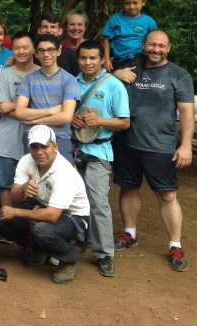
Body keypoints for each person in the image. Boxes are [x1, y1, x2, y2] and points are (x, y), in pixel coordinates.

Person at [112, 29, 194, 272]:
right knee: (128, 188)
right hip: (127, 142)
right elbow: (101, 79)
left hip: (160, 146)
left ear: (168, 48)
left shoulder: (178, 74)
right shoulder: (131, 68)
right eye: (152, 45)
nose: (156, 49)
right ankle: (130, 233)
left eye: (161, 46)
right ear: (144, 45)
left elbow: (187, 112)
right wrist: (115, 73)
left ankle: (175, 245)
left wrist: (185, 145)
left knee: (167, 196)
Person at [0, 125, 90, 284]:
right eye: (34, 147)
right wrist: (24, 188)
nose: (39, 152)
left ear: (55, 147)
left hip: (73, 216)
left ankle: (69, 258)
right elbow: (15, 197)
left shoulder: (64, 173)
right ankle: (38, 248)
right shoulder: (27, 160)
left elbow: (52, 216)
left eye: (44, 146)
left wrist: (16, 212)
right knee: (0, 219)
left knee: (43, 230)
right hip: (43, 207)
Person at [71, 40, 130, 277]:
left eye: (93, 58)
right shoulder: (72, 82)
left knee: (98, 203)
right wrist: (71, 117)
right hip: (74, 149)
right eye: (83, 58)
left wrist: (100, 121)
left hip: (99, 151)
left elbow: (125, 122)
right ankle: (76, 239)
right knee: (72, 198)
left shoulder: (114, 85)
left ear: (102, 60)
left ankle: (104, 253)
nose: (88, 62)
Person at [15, 34, 79, 164]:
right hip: (33, 137)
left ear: (58, 51)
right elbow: (19, 112)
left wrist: (33, 120)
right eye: (41, 50)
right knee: (32, 176)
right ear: (36, 53)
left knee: (62, 176)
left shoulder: (69, 80)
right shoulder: (28, 79)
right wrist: (51, 111)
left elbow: (66, 117)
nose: (46, 54)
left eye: (50, 50)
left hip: (59, 138)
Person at [0, 31, 39, 207]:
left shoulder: (42, 73)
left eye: (25, 47)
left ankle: (27, 220)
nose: (21, 51)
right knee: (5, 184)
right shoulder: (4, 75)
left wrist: (13, 106)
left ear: (34, 49)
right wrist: (32, 111)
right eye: (17, 48)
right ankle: (6, 219)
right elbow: (1, 108)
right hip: (6, 138)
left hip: (34, 138)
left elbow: (42, 106)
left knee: (33, 183)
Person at [101, 0, 157, 72]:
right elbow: (106, 39)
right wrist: (106, 59)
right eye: (127, 3)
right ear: (122, 3)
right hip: (117, 60)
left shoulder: (149, 21)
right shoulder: (115, 19)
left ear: (143, 2)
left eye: (135, 3)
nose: (131, 7)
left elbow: (155, 40)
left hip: (138, 58)